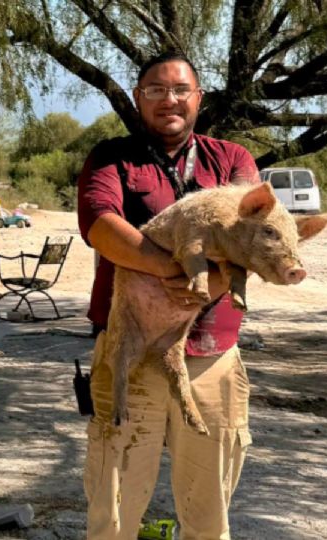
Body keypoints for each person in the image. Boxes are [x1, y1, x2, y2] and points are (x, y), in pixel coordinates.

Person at [77, 51, 261, 539]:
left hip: (210, 356)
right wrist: (171, 268)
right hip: (127, 353)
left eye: (181, 90)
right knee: (111, 512)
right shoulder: (110, 157)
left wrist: (212, 283)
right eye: (155, 90)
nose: (169, 100)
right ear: (139, 98)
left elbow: (255, 233)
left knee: (208, 515)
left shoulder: (233, 158)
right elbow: (99, 224)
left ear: (199, 98)